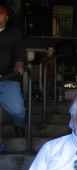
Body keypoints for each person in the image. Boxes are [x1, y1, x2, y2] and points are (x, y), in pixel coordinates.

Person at [0, 5, 26, 151]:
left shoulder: (13, 34)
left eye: (1, 14)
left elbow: (20, 52)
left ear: (6, 17)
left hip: (8, 79)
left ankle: (19, 125)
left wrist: (18, 64)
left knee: (18, 111)